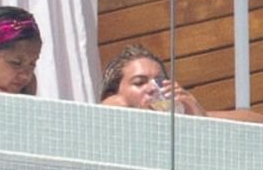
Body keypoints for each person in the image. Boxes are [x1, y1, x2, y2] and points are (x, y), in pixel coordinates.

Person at [100, 45, 263, 123]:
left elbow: (257, 121)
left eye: (158, 82)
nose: (152, 88)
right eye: (139, 82)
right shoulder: (98, 122)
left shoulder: (179, 123)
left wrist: (200, 116)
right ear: (111, 94)